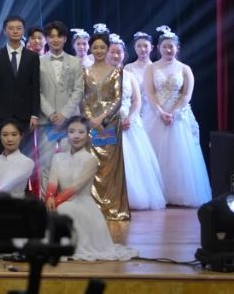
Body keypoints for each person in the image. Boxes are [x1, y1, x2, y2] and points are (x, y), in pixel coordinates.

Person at [45, 118, 138, 261]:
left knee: (63, 209)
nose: (76, 136)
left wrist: (56, 202)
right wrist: (49, 198)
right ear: (66, 134)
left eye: (81, 132)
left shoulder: (90, 160)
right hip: (61, 202)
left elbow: (75, 188)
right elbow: (52, 182)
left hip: (81, 204)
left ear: (88, 134)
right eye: (72, 132)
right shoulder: (58, 158)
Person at [142, 26, 211, 206]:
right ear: (159, 48)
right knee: (153, 155)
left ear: (177, 48)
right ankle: (158, 194)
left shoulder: (185, 69)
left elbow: (186, 94)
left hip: (178, 115)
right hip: (156, 114)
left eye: (171, 46)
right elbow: (150, 93)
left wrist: (174, 112)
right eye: (164, 46)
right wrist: (160, 112)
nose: (168, 50)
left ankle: (179, 194)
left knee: (180, 158)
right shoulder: (151, 68)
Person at [106, 35, 165, 210]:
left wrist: (130, 118)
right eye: (112, 52)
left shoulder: (129, 76)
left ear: (124, 54)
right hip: (107, 124)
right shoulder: (100, 75)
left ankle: (132, 197)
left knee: (134, 163)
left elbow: (137, 101)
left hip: (129, 123)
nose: (115, 55)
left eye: (119, 52)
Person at [80, 28, 128, 220]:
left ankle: (113, 208)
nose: (99, 51)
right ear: (90, 49)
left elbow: (118, 99)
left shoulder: (117, 71)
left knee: (111, 167)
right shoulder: (84, 71)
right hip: (90, 125)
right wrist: (91, 119)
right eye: (95, 47)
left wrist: (103, 119)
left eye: (102, 47)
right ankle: (92, 209)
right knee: (92, 165)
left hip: (110, 124)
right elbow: (82, 99)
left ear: (108, 49)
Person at [38, 21, 84, 182]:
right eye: (51, 36)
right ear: (46, 39)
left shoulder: (75, 62)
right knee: (45, 164)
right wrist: (51, 113)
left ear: (65, 39)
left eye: (59, 36)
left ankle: (68, 197)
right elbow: (36, 92)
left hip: (69, 121)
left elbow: (79, 90)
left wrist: (64, 114)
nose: (55, 40)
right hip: (46, 121)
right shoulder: (37, 61)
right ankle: (46, 198)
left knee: (70, 161)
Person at [0, 15, 41, 153]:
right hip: (1, 114)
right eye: (11, 28)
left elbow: (36, 87)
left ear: (23, 31)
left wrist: (35, 115)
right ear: (5, 31)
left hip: (25, 115)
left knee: (24, 154)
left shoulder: (32, 56)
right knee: (2, 153)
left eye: (19, 28)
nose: (15, 31)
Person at [123, 31, 155, 121]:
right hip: (134, 111)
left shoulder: (157, 68)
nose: (142, 49)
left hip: (153, 111)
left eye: (145, 46)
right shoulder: (128, 68)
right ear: (134, 47)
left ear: (152, 47)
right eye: (139, 46)